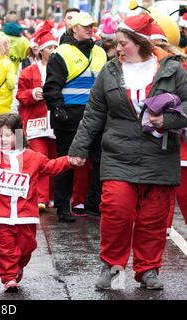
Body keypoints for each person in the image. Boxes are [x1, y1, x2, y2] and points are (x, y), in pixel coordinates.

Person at [68, 13, 187, 290]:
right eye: (117, 44)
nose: (118, 49)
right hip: (118, 153)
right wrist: (79, 148)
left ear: (141, 42)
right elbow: (94, 113)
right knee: (116, 211)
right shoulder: (110, 71)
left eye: (124, 43)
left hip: (159, 154)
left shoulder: (173, 69)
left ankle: (148, 270)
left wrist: (167, 121)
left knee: (153, 218)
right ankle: (111, 266)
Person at [0, 113, 74, 292]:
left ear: (18, 134)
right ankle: (8, 277)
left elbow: (51, 167)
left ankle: (16, 266)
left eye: (7, 135)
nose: (2, 139)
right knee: (4, 248)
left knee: (27, 246)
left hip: (25, 214)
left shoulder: (32, 156)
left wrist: (69, 161)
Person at [43, 12, 107, 222]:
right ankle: (63, 206)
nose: (90, 29)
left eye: (92, 26)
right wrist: (58, 109)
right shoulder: (60, 53)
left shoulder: (100, 52)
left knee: (99, 161)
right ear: (74, 29)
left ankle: (93, 204)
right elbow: (52, 86)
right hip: (69, 117)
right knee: (67, 162)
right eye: (85, 26)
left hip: (97, 115)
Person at [17, 22, 58, 212]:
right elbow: (20, 96)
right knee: (40, 159)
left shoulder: (61, 68)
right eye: (50, 47)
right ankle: (41, 198)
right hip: (36, 121)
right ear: (41, 51)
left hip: (56, 121)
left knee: (55, 159)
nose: (53, 50)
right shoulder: (29, 71)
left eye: (55, 47)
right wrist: (33, 94)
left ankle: (54, 196)